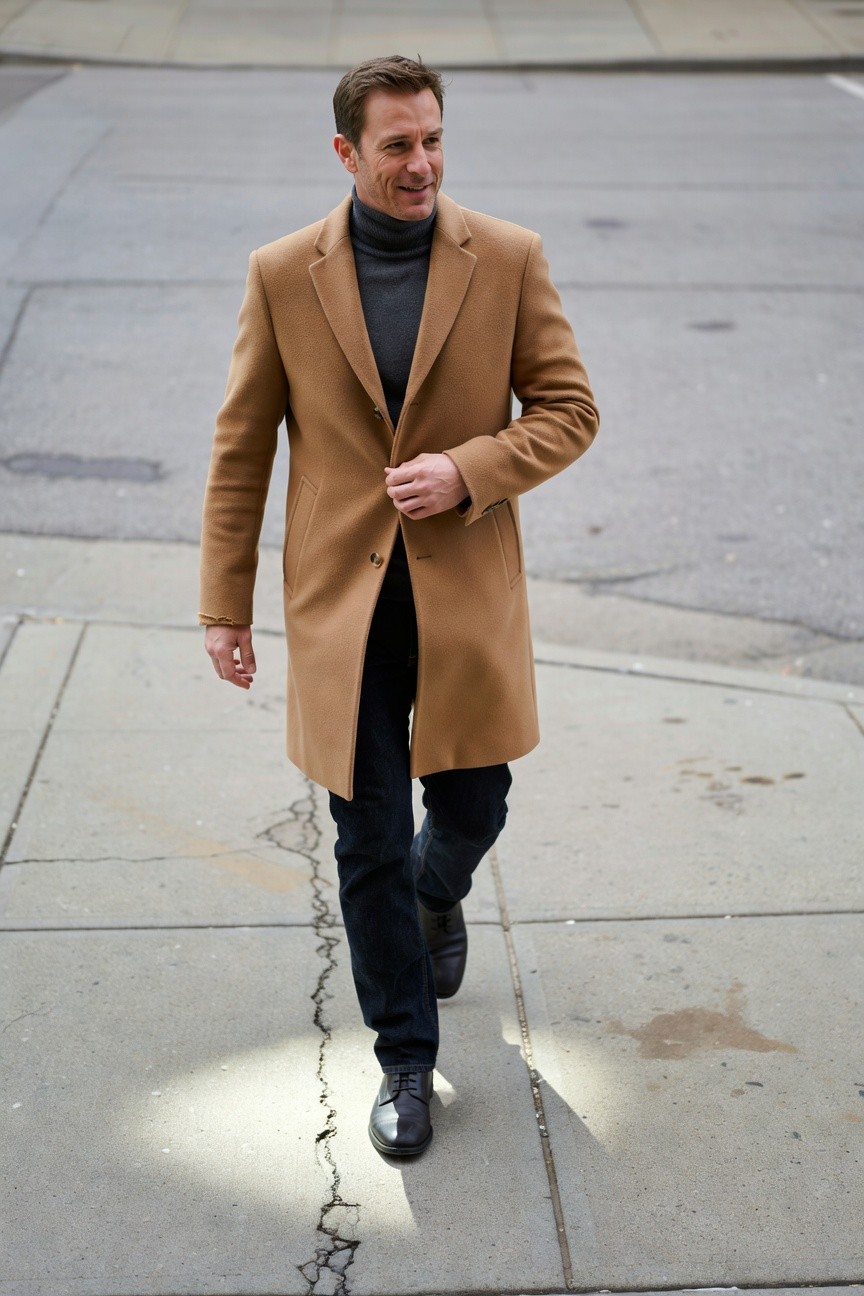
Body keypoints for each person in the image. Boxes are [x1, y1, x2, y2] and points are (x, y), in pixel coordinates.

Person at [200, 55, 598, 1158]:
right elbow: (241, 450)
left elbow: (570, 409)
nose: (421, 163)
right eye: (396, 145)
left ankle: (442, 889)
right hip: (342, 605)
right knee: (363, 835)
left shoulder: (506, 258)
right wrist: (222, 606)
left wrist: (472, 468)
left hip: (464, 594)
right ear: (347, 153)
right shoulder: (282, 272)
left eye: (432, 140)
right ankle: (404, 1062)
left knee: (470, 807)